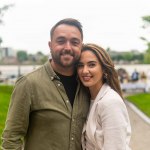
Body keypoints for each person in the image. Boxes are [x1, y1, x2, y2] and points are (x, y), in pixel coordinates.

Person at [1, 18, 90, 150]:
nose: (67, 47)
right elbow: (11, 140)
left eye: (74, 42)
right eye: (61, 41)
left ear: (81, 46)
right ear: (50, 45)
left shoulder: (87, 85)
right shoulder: (29, 84)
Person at [77, 43, 132, 150]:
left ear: (104, 69)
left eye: (91, 65)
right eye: (80, 65)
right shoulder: (86, 99)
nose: (84, 71)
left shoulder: (110, 102)